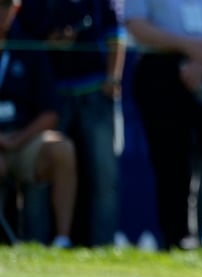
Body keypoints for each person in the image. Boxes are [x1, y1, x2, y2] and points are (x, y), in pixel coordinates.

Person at [123, 0, 202, 250]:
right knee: (171, 163)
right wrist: (189, 47)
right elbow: (136, 25)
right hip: (162, 70)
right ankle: (178, 240)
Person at [13, 0, 125, 247]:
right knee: (40, 170)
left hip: (97, 90)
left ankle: (104, 246)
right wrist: (48, 43)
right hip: (51, 95)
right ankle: (36, 243)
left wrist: (112, 78)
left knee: (104, 175)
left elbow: (117, 34)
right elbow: (22, 39)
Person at [0, 0, 77, 247]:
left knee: (62, 149)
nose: (0, 11)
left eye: (5, 4)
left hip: (21, 139)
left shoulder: (29, 47)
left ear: (16, 7)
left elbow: (50, 112)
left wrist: (17, 140)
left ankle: (62, 240)